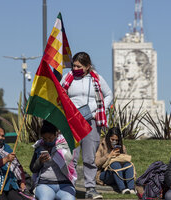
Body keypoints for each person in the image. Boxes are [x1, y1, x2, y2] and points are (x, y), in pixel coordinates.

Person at [61, 52, 113, 199]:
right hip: (72, 121)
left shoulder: (96, 78)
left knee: (90, 157)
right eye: (74, 65)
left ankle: (91, 188)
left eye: (79, 66)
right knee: (71, 156)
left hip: (91, 121)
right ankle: (69, 186)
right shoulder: (67, 78)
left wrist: (100, 110)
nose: (75, 68)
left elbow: (109, 95)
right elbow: (60, 95)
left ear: (87, 66)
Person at [29, 120, 76, 200]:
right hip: (45, 184)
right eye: (44, 138)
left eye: (50, 138)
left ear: (56, 134)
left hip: (65, 185)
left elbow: (70, 160)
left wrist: (57, 152)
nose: (47, 141)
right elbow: (33, 169)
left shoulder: (65, 145)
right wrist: (39, 161)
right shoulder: (39, 147)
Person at [95, 127, 135, 194]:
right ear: (108, 138)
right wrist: (108, 156)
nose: (114, 142)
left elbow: (126, 163)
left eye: (116, 140)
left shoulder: (122, 147)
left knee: (128, 164)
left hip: (119, 174)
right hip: (104, 174)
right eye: (112, 139)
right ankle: (123, 189)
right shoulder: (101, 146)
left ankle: (131, 188)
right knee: (115, 164)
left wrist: (121, 157)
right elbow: (96, 163)